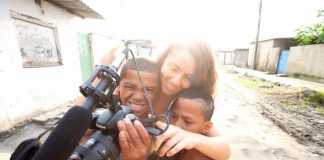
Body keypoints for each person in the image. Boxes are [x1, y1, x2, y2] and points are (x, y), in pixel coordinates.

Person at [117, 40, 230, 160]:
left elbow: (224, 150)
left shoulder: (182, 103)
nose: (176, 81)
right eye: (174, 68)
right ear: (162, 60)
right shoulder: (142, 83)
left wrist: (192, 138)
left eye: (188, 77)